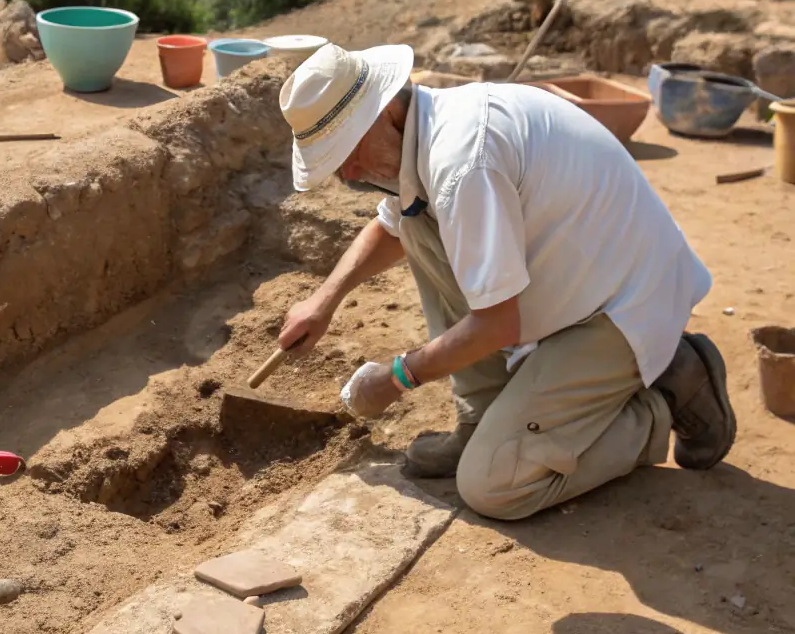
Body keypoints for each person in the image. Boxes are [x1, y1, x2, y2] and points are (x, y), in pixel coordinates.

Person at [276, 42, 735, 521]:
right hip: (578, 282)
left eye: (349, 151)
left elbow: (497, 326)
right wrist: (323, 300)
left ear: (386, 109)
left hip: (622, 309)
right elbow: (393, 225)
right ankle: (483, 418)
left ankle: (666, 392)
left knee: (494, 486)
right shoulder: (426, 127)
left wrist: (395, 377)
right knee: (417, 224)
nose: (349, 173)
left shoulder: (463, 164)